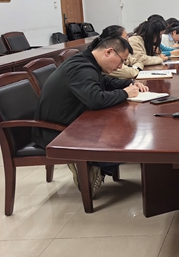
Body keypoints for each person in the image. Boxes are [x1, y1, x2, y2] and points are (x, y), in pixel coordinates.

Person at [32, 36, 149, 197]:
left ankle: (96, 166)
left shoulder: (86, 62)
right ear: (109, 52)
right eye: (121, 60)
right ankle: (90, 166)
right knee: (122, 140)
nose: (121, 66)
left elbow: (102, 81)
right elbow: (95, 100)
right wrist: (124, 93)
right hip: (56, 132)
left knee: (125, 132)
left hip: (72, 121)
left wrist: (128, 84)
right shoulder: (82, 67)